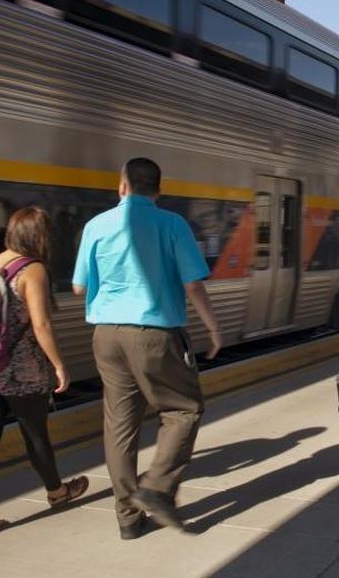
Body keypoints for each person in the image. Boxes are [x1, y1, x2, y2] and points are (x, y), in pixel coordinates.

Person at [72, 158, 222, 539]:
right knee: (184, 410)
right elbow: (192, 284)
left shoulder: (96, 226)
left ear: (122, 186)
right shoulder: (172, 224)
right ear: (158, 190)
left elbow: (79, 287)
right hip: (154, 334)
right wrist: (212, 327)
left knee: (120, 425)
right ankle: (156, 488)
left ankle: (127, 518)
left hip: (106, 335)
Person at [0, 207, 89, 539]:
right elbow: (41, 323)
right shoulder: (32, 270)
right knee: (36, 436)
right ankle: (57, 493)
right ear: (41, 237)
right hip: (21, 371)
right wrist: (59, 365)